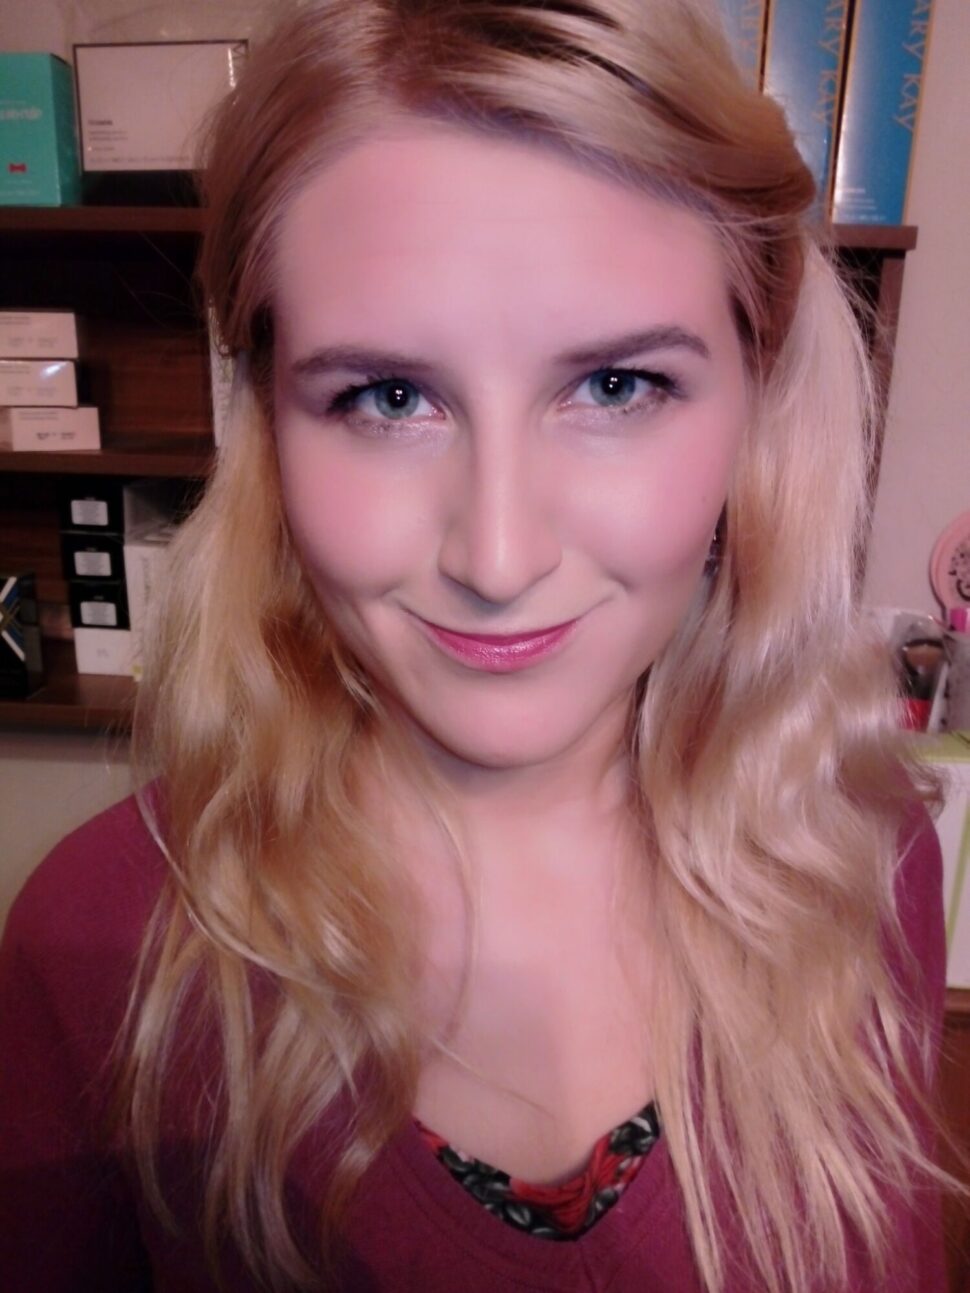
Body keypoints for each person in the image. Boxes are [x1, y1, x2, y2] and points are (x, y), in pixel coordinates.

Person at [0, 1, 955, 1290]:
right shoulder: (101, 948)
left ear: (757, 393)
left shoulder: (860, 865)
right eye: (389, 397)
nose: (497, 559)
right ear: (269, 424)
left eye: (615, 387)